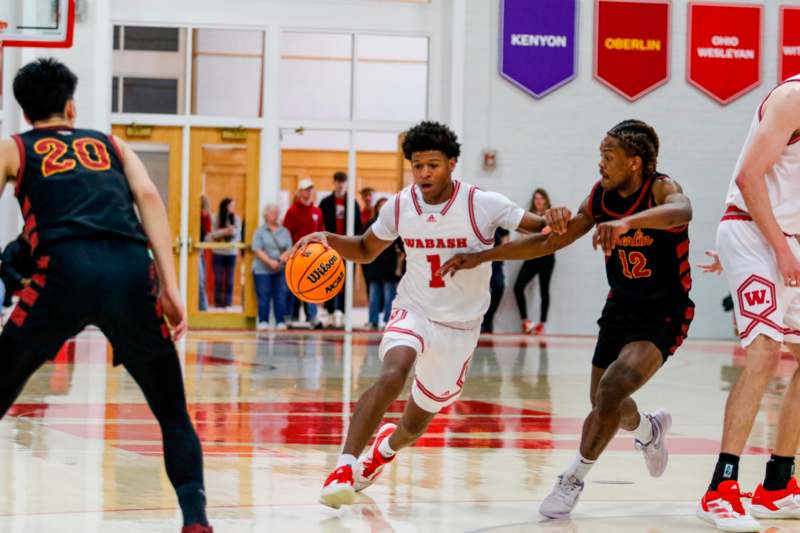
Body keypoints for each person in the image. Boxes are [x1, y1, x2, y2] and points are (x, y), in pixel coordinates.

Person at [440, 119, 694, 519]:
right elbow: (549, 240)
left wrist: (627, 223)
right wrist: (483, 255)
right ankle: (649, 431)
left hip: (664, 311)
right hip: (620, 308)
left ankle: (572, 478)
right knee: (603, 402)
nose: (600, 164)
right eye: (600, 156)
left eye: (608, 157)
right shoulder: (601, 197)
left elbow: (683, 210)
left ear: (635, 162)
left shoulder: (661, 188)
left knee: (610, 391)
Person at [0, 58, 210, 533]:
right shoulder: (111, 143)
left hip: (64, 272)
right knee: (172, 412)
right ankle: (196, 520)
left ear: (24, 111)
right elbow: (150, 199)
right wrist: (171, 286)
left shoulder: (13, 148)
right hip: (131, 273)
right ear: (71, 106)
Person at [293, 121, 548, 509]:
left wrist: (554, 220)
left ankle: (384, 450)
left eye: (433, 165)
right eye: (417, 165)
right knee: (392, 373)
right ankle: (342, 467)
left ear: (452, 164)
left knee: (413, 425)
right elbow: (364, 249)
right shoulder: (400, 205)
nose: (424, 173)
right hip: (413, 309)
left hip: (459, 327)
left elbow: (540, 230)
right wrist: (326, 239)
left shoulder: (481, 203)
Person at [693, 75, 800, 532]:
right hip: (757, 233)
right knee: (764, 352)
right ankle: (720, 488)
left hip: (784, 238)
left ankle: (776, 486)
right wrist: (774, 248)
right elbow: (748, 176)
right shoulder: (794, 97)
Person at [318, 171, 363, 328]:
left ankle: (342, 312)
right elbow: (320, 225)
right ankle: (330, 311)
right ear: (334, 183)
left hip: (348, 246)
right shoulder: (325, 202)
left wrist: (355, 243)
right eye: (338, 181)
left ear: (347, 183)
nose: (340, 184)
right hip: (330, 247)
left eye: (343, 181)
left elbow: (359, 226)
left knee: (346, 280)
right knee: (329, 279)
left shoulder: (353, 203)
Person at [514, 188, 556, 335]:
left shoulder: (551, 215)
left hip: (547, 257)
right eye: (536, 199)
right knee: (518, 287)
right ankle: (525, 321)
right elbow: (521, 235)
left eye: (541, 198)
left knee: (544, 290)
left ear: (546, 200)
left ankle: (542, 324)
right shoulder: (529, 216)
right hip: (532, 256)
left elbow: (554, 237)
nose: (538, 201)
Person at [283, 177, 324, 328]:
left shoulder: (317, 211)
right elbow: (286, 234)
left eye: (310, 189)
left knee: (311, 286)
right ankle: (291, 316)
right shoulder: (292, 211)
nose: (309, 192)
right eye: (306, 190)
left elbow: (320, 231)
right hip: (296, 255)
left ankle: (312, 317)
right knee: (293, 286)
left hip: (313, 255)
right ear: (300, 192)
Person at [363, 197, 402, 329]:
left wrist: (399, 265)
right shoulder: (371, 223)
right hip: (374, 264)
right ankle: (372, 320)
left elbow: (401, 246)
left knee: (389, 295)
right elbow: (362, 242)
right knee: (374, 295)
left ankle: (388, 321)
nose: (382, 208)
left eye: (385, 206)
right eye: (380, 206)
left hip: (389, 265)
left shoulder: (395, 224)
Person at [252, 204, 292, 331]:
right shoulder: (260, 232)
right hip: (262, 270)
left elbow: (290, 249)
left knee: (280, 295)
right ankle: (263, 321)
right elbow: (257, 249)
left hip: (280, 269)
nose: (275, 215)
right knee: (264, 296)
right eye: (272, 212)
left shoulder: (284, 231)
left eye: (277, 212)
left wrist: (279, 261)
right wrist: (270, 262)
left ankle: (280, 321)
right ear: (266, 215)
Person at [206, 197, 241, 309]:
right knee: (219, 279)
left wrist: (232, 231)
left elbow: (238, 234)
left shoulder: (236, 218)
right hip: (218, 252)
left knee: (230, 279)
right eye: (231, 206)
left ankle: (228, 303)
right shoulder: (216, 218)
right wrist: (224, 231)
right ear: (225, 206)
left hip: (231, 252)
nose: (233, 208)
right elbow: (211, 235)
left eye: (234, 206)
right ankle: (218, 303)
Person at [481, 227, 510, 334]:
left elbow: (506, 240)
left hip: (495, 262)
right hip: (479, 261)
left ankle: (487, 319)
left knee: (499, 286)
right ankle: (479, 320)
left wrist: (503, 254)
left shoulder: (499, 222)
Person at [0, 234, 34, 309]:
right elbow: (7, 266)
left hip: (27, 279)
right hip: (13, 279)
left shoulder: (34, 248)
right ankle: (6, 304)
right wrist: (20, 279)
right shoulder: (13, 247)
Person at [198, 195, 212, 311]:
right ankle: (203, 309)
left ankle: (203, 310)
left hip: (199, 251)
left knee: (201, 282)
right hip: (195, 251)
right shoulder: (196, 215)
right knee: (200, 282)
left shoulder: (206, 216)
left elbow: (207, 234)